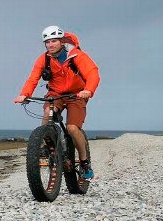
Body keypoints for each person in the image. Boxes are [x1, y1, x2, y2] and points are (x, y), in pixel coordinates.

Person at [13, 26, 101, 179]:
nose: (50, 45)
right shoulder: (44, 58)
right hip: (55, 94)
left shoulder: (77, 55)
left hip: (77, 94)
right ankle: (45, 145)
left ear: (61, 41)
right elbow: (33, 78)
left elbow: (93, 73)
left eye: (53, 41)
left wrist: (88, 90)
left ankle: (85, 163)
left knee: (73, 128)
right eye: (47, 42)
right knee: (48, 112)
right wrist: (24, 94)